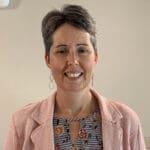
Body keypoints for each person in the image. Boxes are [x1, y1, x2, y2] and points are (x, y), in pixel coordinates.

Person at [4, 4, 146, 150]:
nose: (73, 60)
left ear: (95, 57)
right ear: (48, 59)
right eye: (62, 51)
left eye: (82, 50)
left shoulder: (128, 121)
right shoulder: (22, 123)